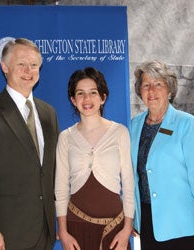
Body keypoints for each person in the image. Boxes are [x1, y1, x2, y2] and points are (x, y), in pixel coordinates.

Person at [0, 38, 59, 250]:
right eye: (21, 64)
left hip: (44, 231)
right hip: (7, 232)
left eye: (34, 65)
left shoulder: (48, 113)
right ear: (5, 67)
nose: (29, 70)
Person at [130, 60, 194, 250]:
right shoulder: (133, 127)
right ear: (140, 92)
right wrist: (133, 218)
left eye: (158, 84)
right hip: (147, 226)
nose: (151, 90)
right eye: (146, 85)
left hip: (182, 228)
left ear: (169, 91)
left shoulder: (188, 125)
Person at [55, 67, 134, 250]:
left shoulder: (120, 132)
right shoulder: (65, 137)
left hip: (115, 230)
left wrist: (126, 229)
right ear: (73, 100)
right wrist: (64, 232)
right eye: (80, 94)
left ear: (103, 97)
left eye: (93, 92)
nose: (87, 99)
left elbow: (129, 183)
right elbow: (60, 187)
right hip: (76, 228)